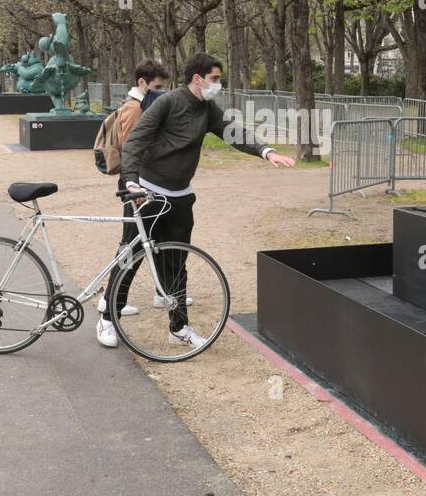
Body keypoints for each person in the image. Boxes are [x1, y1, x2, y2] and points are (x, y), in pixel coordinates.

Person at [97, 52, 296, 349]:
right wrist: (131, 182)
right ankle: (108, 319)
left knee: (177, 263)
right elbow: (136, 140)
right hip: (147, 192)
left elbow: (234, 132)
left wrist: (266, 151)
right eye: (215, 79)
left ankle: (179, 328)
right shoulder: (167, 102)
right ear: (197, 78)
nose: (218, 84)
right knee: (130, 255)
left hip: (180, 197)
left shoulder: (207, 109)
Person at [95, 60, 170, 322]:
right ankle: (110, 298)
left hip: (141, 181)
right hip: (136, 183)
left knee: (153, 239)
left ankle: (162, 291)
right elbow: (131, 149)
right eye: (158, 86)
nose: (162, 92)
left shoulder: (141, 105)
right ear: (142, 83)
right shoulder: (136, 108)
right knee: (132, 244)